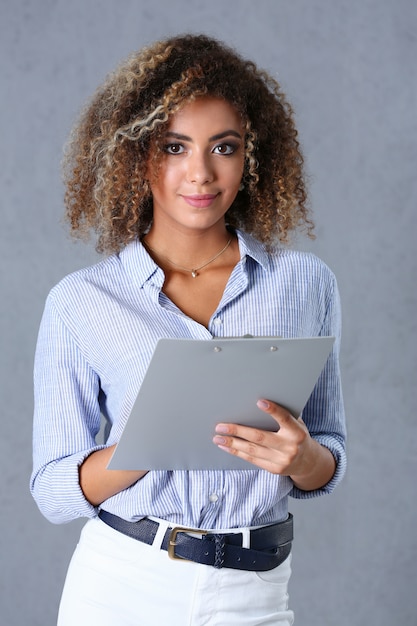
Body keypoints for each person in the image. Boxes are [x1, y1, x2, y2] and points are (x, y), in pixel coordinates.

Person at [30, 33, 346, 625]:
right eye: (174, 146)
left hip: (256, 592)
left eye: (223, 147)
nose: (200, 172)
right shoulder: (81, 301)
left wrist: (302, 459)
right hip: (124, 583)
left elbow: (329, 454)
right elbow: (51, 489)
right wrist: (152, 441)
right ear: (135, 156)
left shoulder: (305, 283)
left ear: (251, 156)